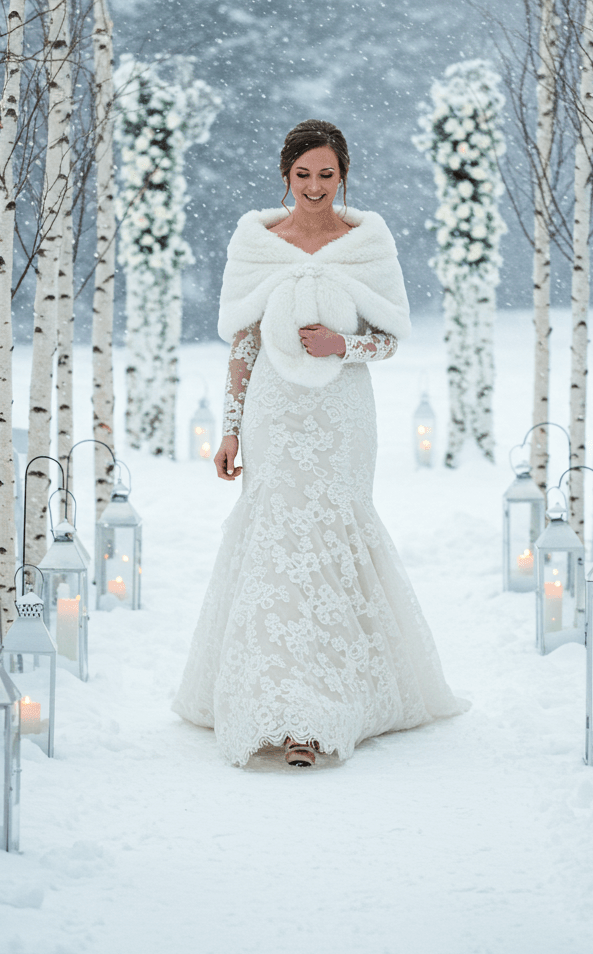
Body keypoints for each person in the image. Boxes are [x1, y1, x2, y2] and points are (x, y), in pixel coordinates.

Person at [172, 119, 461, 767]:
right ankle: (277, 702)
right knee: (276, 539)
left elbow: (387, 341)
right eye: (303, 175)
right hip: (274, 414)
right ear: (285, 176)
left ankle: (331, 702)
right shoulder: (258, 245)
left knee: (332, 534)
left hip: (341, 413)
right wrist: (228, 428)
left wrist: (344, 345)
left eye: (326, 174)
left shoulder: (366, 243)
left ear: (344, 176)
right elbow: (243, 345)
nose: (314, 186)